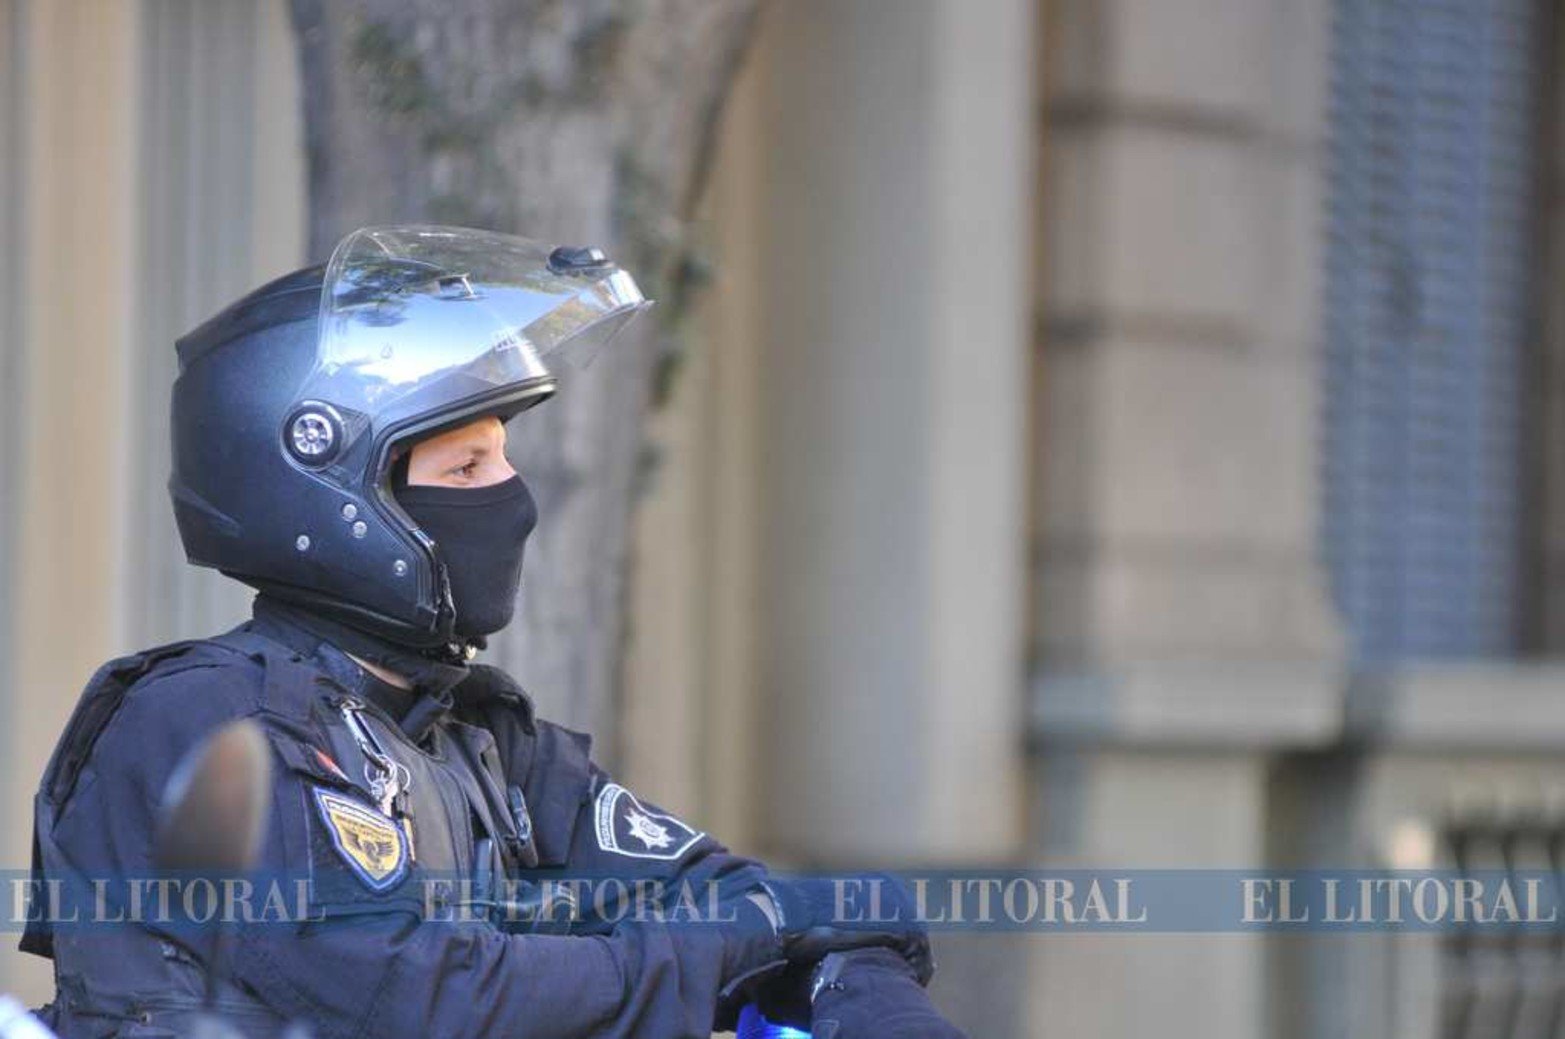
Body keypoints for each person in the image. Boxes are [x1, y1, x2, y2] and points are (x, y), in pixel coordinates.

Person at [21, 226, 965, 1039]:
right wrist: (751, 939)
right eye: (467, 464)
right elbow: (428, 996)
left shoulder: (472, 739)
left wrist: (848, 981)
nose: (510, 499)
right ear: (330, 494)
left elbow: (719, 894)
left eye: (504, 458)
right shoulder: (206, 721)